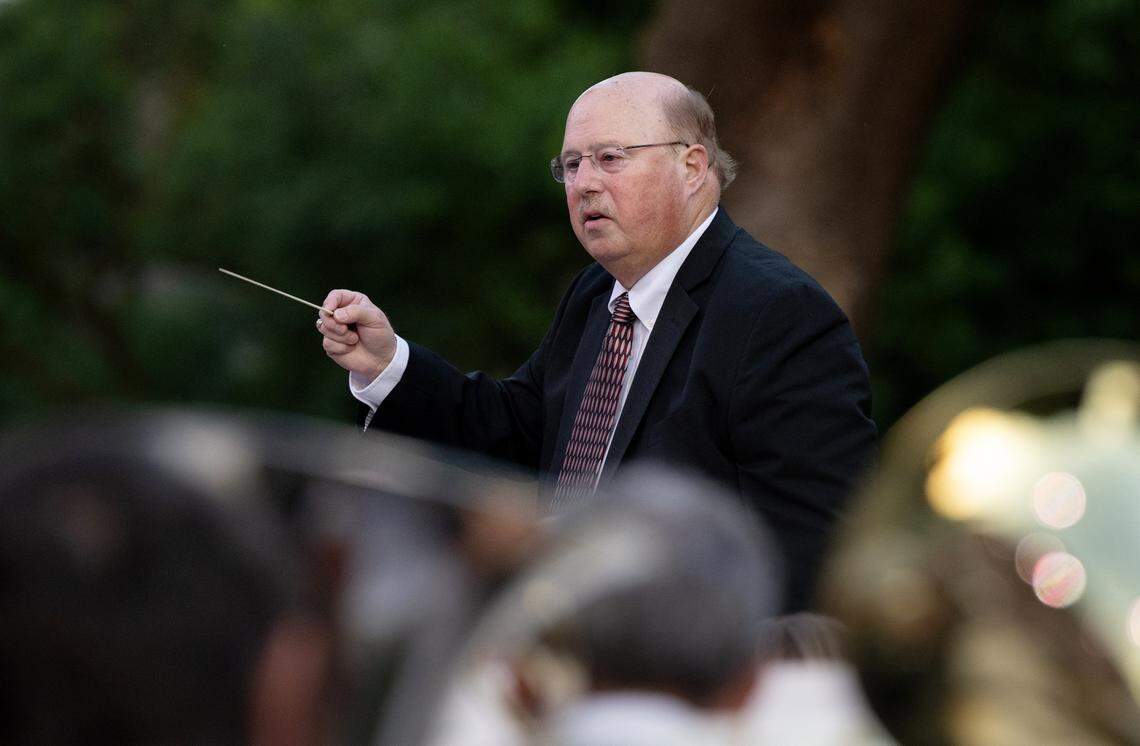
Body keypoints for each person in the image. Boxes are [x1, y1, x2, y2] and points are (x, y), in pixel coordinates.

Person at [316, 71, 876, 610]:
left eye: (610, 158)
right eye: (571, 165)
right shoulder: (596, 294)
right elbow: (519, 434)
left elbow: (811, 539)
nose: (584, 183)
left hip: (688, 668)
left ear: (692, 166)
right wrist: (388, 365)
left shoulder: (778, 311)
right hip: (563, 638)